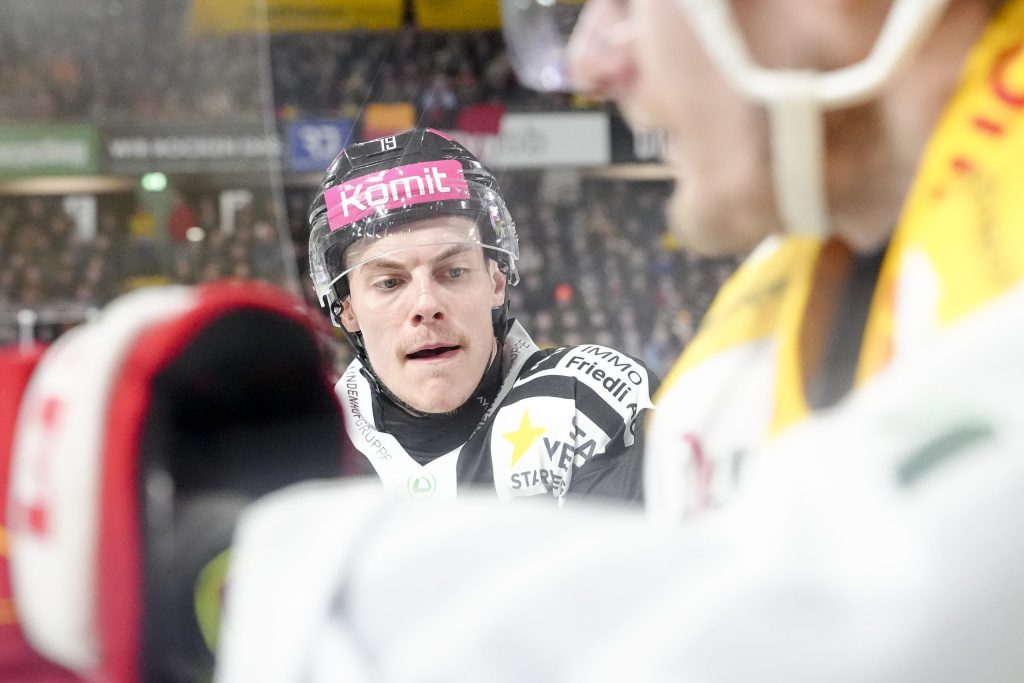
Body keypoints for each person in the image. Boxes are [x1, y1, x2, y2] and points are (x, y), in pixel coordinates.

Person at [216, 2, 1024, 680]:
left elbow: (844, 630)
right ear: (345, 307)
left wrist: (258, 582)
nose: (591, 62)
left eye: (629, 1)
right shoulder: (742, 347)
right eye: (388, 281)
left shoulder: (619, 396)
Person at [306, 127, 656, 503]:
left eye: (453, 271)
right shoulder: (304, 443)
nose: (426, 305)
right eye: (390, 283)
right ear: (347, 309)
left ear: (496, 281)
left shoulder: (589, 401)